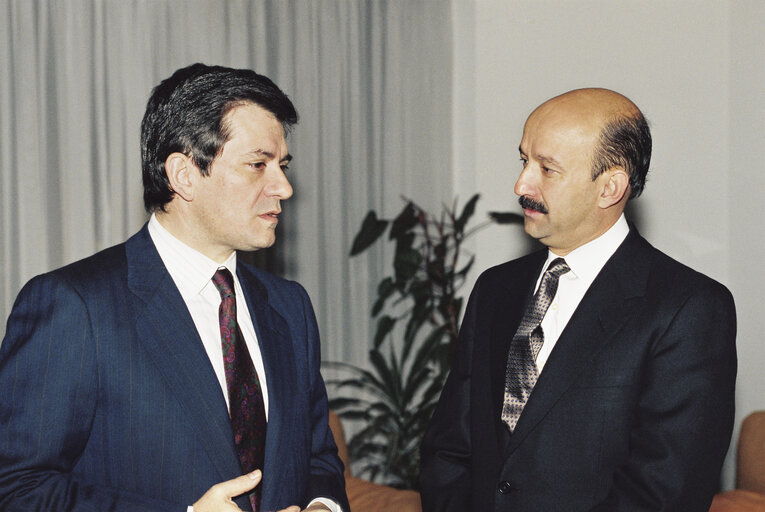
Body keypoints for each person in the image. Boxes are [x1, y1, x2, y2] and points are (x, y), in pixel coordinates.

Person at [0, 63, 349, 512]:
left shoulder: (289, 306)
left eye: (281, 166)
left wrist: (323, 507)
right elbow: (16, 488)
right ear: (183, 175)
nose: (283, 187)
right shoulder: (75, 306)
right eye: (258, 165)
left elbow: (317, 457)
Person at [419, 88, 737, 511]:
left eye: (547, 169)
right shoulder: (495, 289)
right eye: (523, 160)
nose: (521, 184)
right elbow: (450, 449)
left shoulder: (688, 308)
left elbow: (664, 492)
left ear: (609, 187)